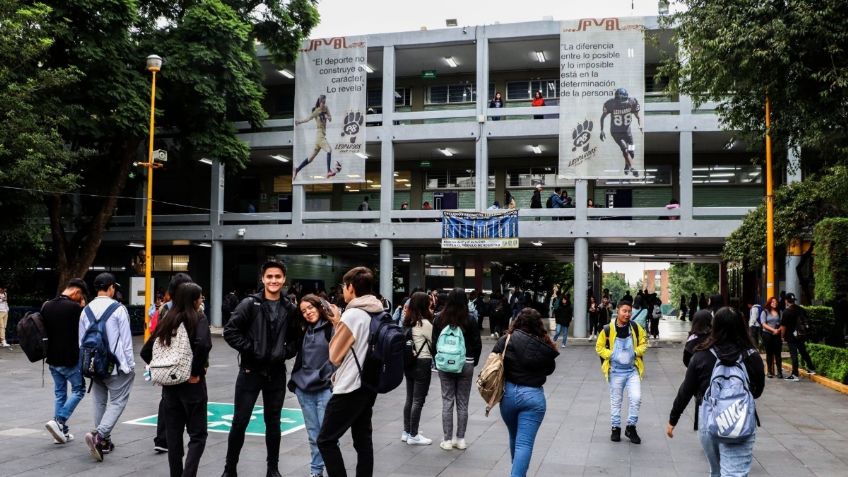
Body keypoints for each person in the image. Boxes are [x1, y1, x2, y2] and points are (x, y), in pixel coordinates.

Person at [666, 307, 765, 477]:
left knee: (717, 472)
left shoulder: (701, 355)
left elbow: (686, 390)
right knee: (734, 473)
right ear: (741, 326)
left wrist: (673, 419)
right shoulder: (751, 355)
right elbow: (757, 391)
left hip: (708, 419)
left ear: (714, 326)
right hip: (739, 420)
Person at [222, 261, 299, 477]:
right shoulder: (250, 304)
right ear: (262, 279)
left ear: (284, 279)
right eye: (269, 276)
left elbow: (296, 339)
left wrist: (284, 353)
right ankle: (230, 469)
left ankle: (272, 468)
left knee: (273, 423)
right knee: (240, 422)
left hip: (276, 374)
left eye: (278, 277)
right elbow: (230, 331)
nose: (273, 280)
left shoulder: (290, 308)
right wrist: (252, 349)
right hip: (250, 371)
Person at [141, 283, 212, 477]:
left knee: (173, 435)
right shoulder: (199, 318)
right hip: (192, 386)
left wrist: (163, 369)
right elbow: (204, 344)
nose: (201, 301)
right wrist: (194, 372)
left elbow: (146, 351)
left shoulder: (167, 319)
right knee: (197, 435)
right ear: (194, 300)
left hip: (170, 387)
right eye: (200, 297)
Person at [317, 267, 382, 477]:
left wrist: (338, 322)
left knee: (325, 440)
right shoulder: (377, 310)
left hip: (350, 386)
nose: (343, 291)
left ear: (351, 287)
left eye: (344, 286)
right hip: (368, 383)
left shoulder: (353, 314)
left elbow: (335, 356)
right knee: (363, 439)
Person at [493, 308, 558, 477]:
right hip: (533, 397)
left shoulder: (506, 340)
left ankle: (517, 472)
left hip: (508, 396)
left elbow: (493, 360)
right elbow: (550, 369)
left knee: (514, 437)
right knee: (524, 443)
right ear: (539, 325)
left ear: (517, 321)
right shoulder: (545, 345)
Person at [80, 273, 135, 462]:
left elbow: (81, 342)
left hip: (93, 365)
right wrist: (130, 365)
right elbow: (126, 341)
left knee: (99, 401)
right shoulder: (118, 309)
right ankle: (99, 435)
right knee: (118, 400)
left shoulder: (85, 310)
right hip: (115, 365)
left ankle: (104, 442)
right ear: (111, 288)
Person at [289, 294, 337, 477]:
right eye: (303, 311)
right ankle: (316, 472)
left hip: (325, 389)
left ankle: (333, 470)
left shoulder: (331, 328)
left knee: (327, 437)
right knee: (313, 435)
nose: (308, 313)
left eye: (311, 308)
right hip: (304, 390)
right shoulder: (303, 331)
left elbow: (339, 357)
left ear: (319, 307)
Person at [432, 288, 482, 451]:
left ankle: (447, 440)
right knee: (463, 402)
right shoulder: (470, 319)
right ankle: (460, 439)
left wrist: (437, 360)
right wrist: (473, 362)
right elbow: (477, 344)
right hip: (466, 363)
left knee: (447, 400)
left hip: (445, 364)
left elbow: (434, 343)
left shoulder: (439, 319)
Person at [595, 299, 648, 444]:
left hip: (632, 371)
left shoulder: (636, 327)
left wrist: (635, 352)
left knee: (636, 398)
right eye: (624, 311)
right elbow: (599, 347)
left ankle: (631, 427)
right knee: (616, 401)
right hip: (616, 371)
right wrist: (612, 355)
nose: (627, 314)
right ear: (617, 311)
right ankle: (615, 428)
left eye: (629, 311)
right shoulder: (607, 329)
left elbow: (644, 343)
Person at [153, 272, 195, 454]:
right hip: (184, 366)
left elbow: (153, 343)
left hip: (167, 365)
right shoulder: (193, 311)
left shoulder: (164, 309)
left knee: (167, 401)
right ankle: (167, 438)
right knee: (184, 404)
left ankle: (163, 439)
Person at [42, 278, 88, 444]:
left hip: (52, 359)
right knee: (79, 389)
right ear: (76, 292)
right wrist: (81, 307)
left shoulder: (46, 305)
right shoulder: (75, 308)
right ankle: (59, 421)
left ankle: (62, 431)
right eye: (80, 296)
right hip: (69, 359)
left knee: (60, 394)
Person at [402, 291, 435, 446]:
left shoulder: (408, 322)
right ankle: (414, 435)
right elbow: (433, 343)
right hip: (422, 362)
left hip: (409, 363)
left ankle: (406, 431)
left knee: (409, 399)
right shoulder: (425, 324)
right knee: (418, 400)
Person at [599, 87, 642, 176]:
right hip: (616, 132)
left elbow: (637, 116)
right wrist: (602, 130)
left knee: (632, 152)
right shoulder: (610, 104)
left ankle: (627, 165)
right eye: (619, 101)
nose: (621, 104)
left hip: (627, 132)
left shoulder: (632, 102)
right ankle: (632, 167)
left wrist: (640, 125)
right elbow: (603, 117)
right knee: (625, 150)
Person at [294, 94, 338, 180]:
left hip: (322, 136)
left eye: (324, 102)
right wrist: (299, 122)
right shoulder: (316, 111)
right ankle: (328, 171)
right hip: (319, 135)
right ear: (319, 102)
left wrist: (327, 117)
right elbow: (308, 119)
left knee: (310, 158)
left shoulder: (326, 108)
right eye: (322, 102)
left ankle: (297, 169)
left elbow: (330, 118)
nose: (323, 104)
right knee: (329, 150)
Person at [780, 293, 816, 381]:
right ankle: (811, 368)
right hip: (801, 335)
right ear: (794, 300)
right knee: (803, 351)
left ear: (786, 301)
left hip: (791, 336)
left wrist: (782, 336)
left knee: (794, 354)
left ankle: (795, 375)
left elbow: (783, 326)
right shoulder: (801, 309)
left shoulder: (786, 312)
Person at [760, 296, 783, 379]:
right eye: (773, 302)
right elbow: (763, 324)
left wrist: (778, 330)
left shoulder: (780, 312)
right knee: (769, 353)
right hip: (767, 335)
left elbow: (782, 324)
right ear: (769, 303)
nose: (775, 303)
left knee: (778, 354)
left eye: (776, 302)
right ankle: (769, 371)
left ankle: (779, 372)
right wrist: (773, 330)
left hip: (777, 335)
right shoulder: (765, 312)